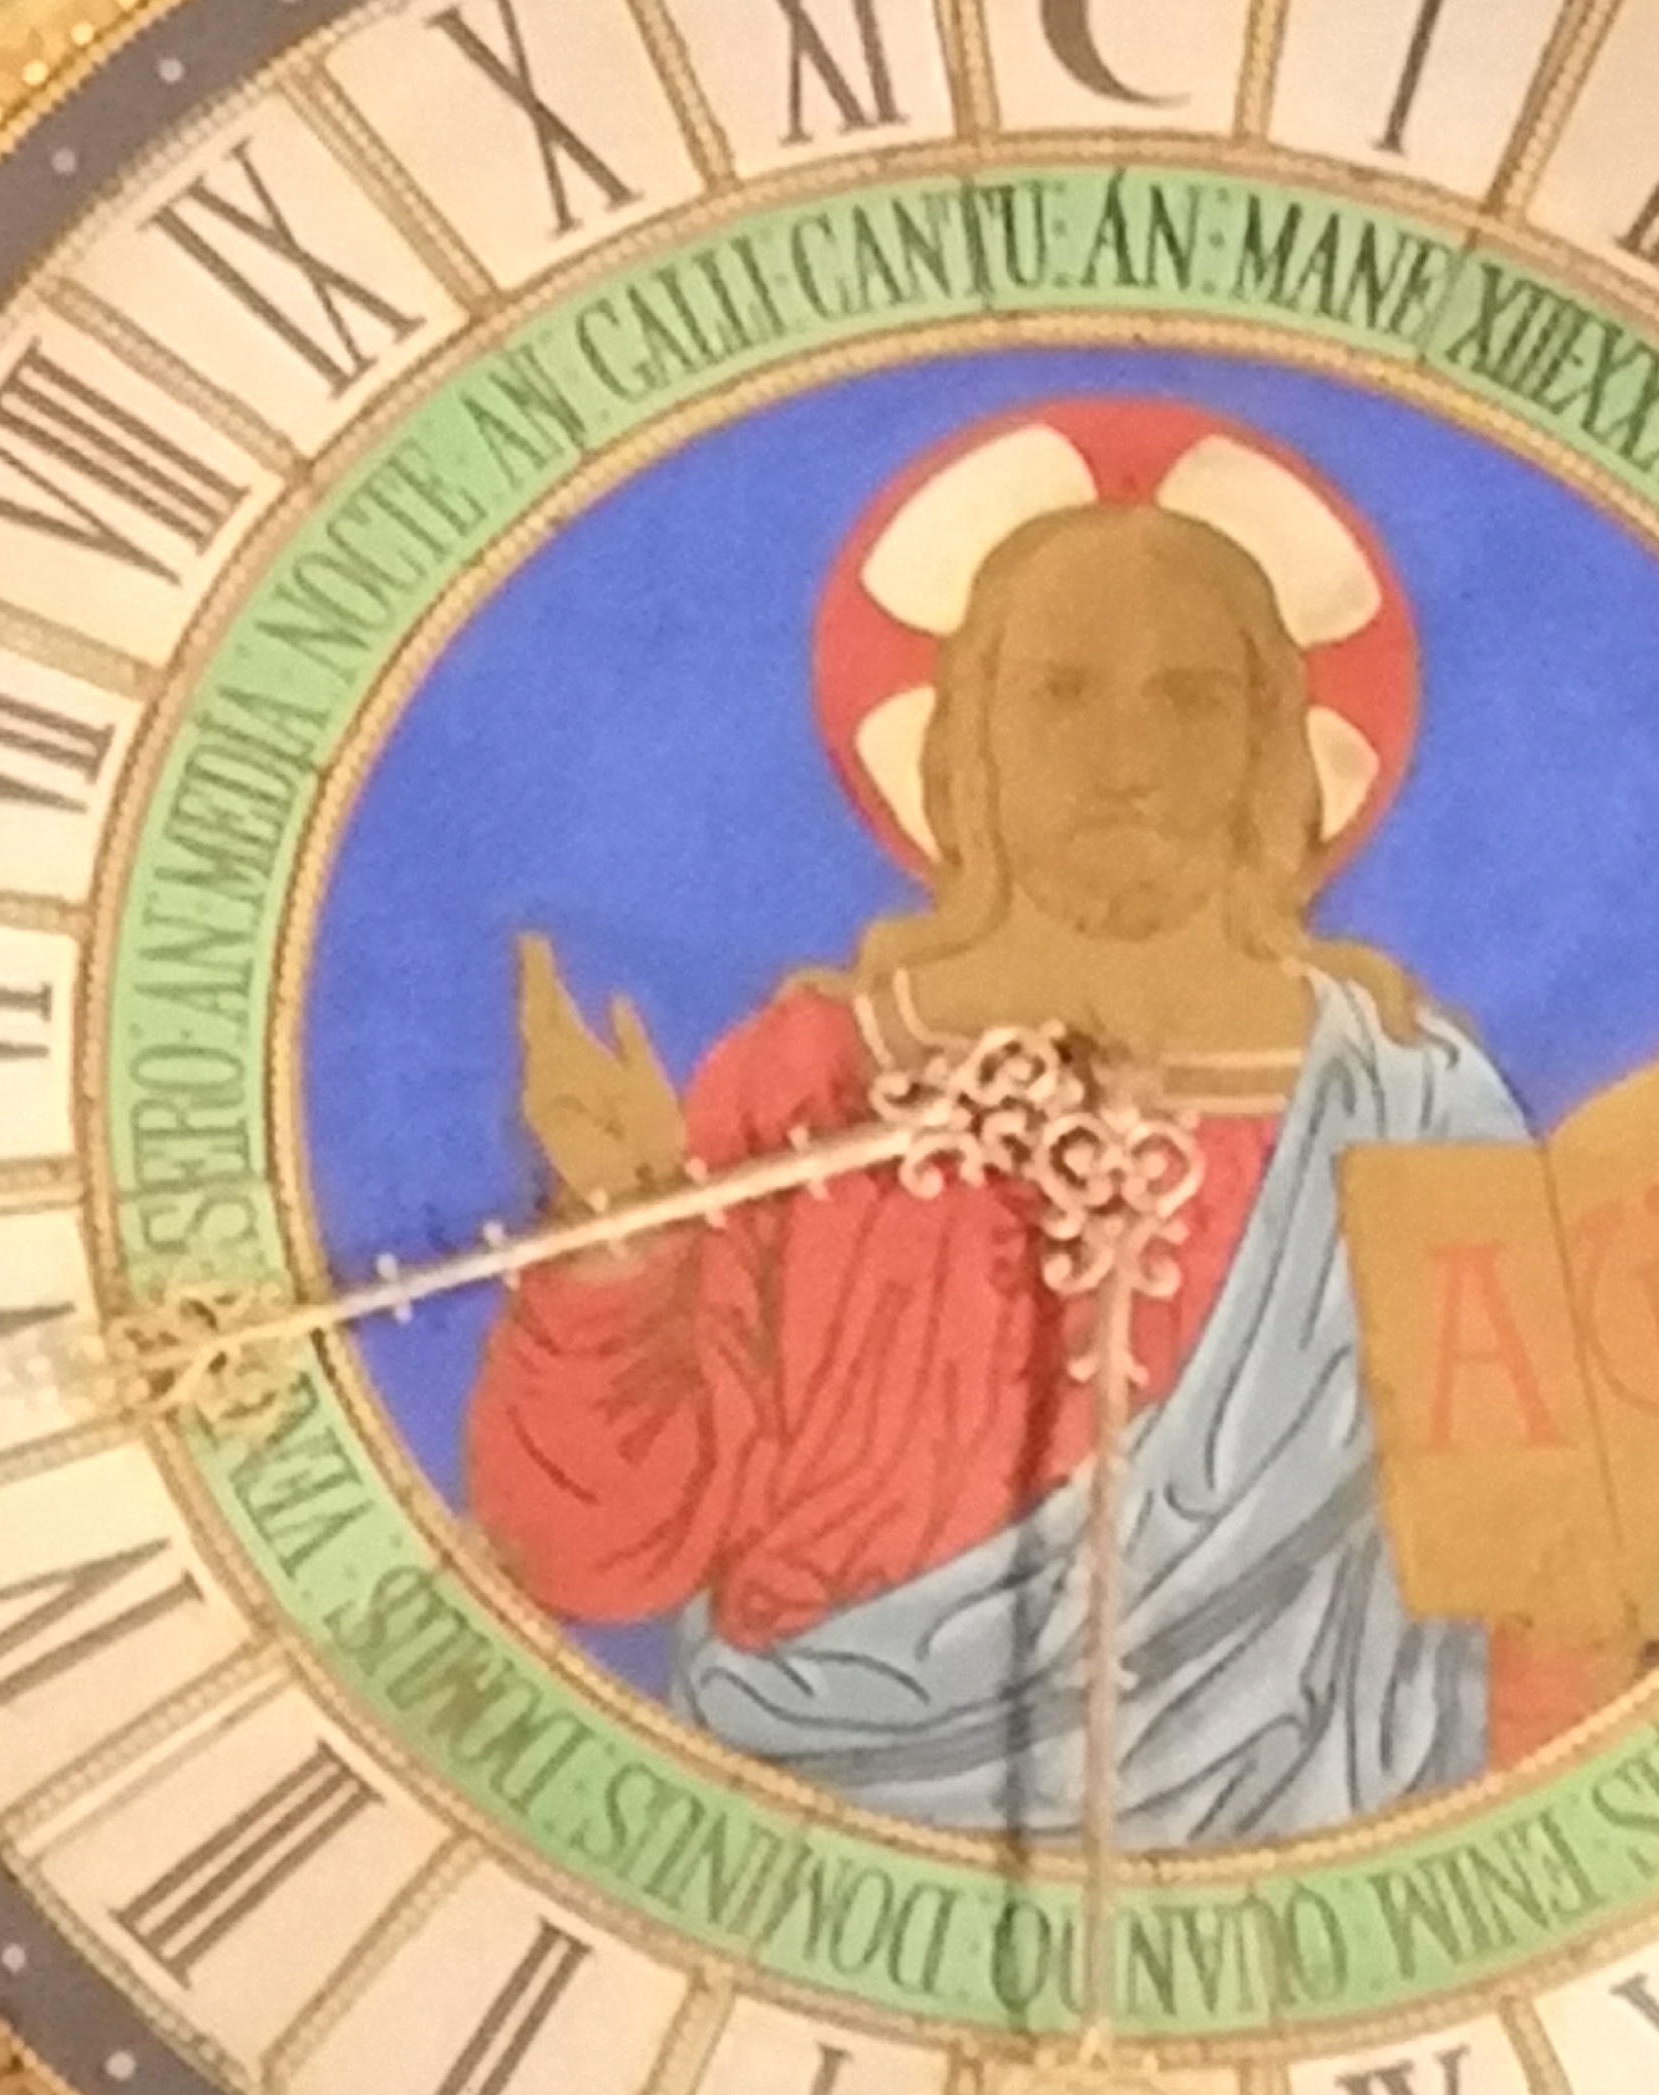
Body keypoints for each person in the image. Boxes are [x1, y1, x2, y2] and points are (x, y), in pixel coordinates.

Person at [464, 492, 1562, 1848]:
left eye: (1189, 700)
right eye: (1061, 693)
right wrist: (615, 1244)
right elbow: (600, 1554)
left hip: (1308, 1862)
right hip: (824, 1841)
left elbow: (1542, 1584)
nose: (1126, 757)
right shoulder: (811, 1086)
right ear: (971, 744)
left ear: (1267, 749)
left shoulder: (1412, 1108)